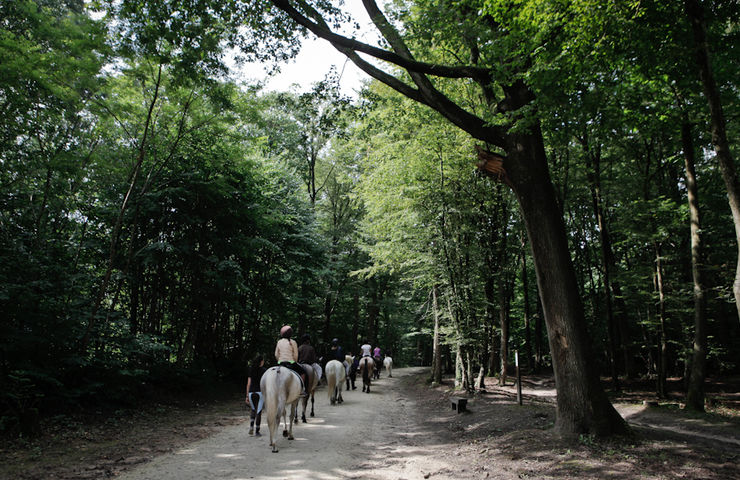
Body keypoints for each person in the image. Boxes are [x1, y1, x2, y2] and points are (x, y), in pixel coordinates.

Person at [274, 325, 307, 396]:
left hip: (281, 363)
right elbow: (296, 355)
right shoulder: (293, 342)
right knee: (303, 372)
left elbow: (276, 354)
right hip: (291, 363)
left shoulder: (279, 342)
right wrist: (295, 361)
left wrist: (279, 361)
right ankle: (301, 389)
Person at [246, 355, 266, 436]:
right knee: (259, 411)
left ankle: (251, 427)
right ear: (261, 361)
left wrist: (247, 395)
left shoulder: (251, 370)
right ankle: (257, 431)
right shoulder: (264, 370)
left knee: (253, 410)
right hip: (260, 392)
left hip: (251, 392)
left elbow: (248, 384)